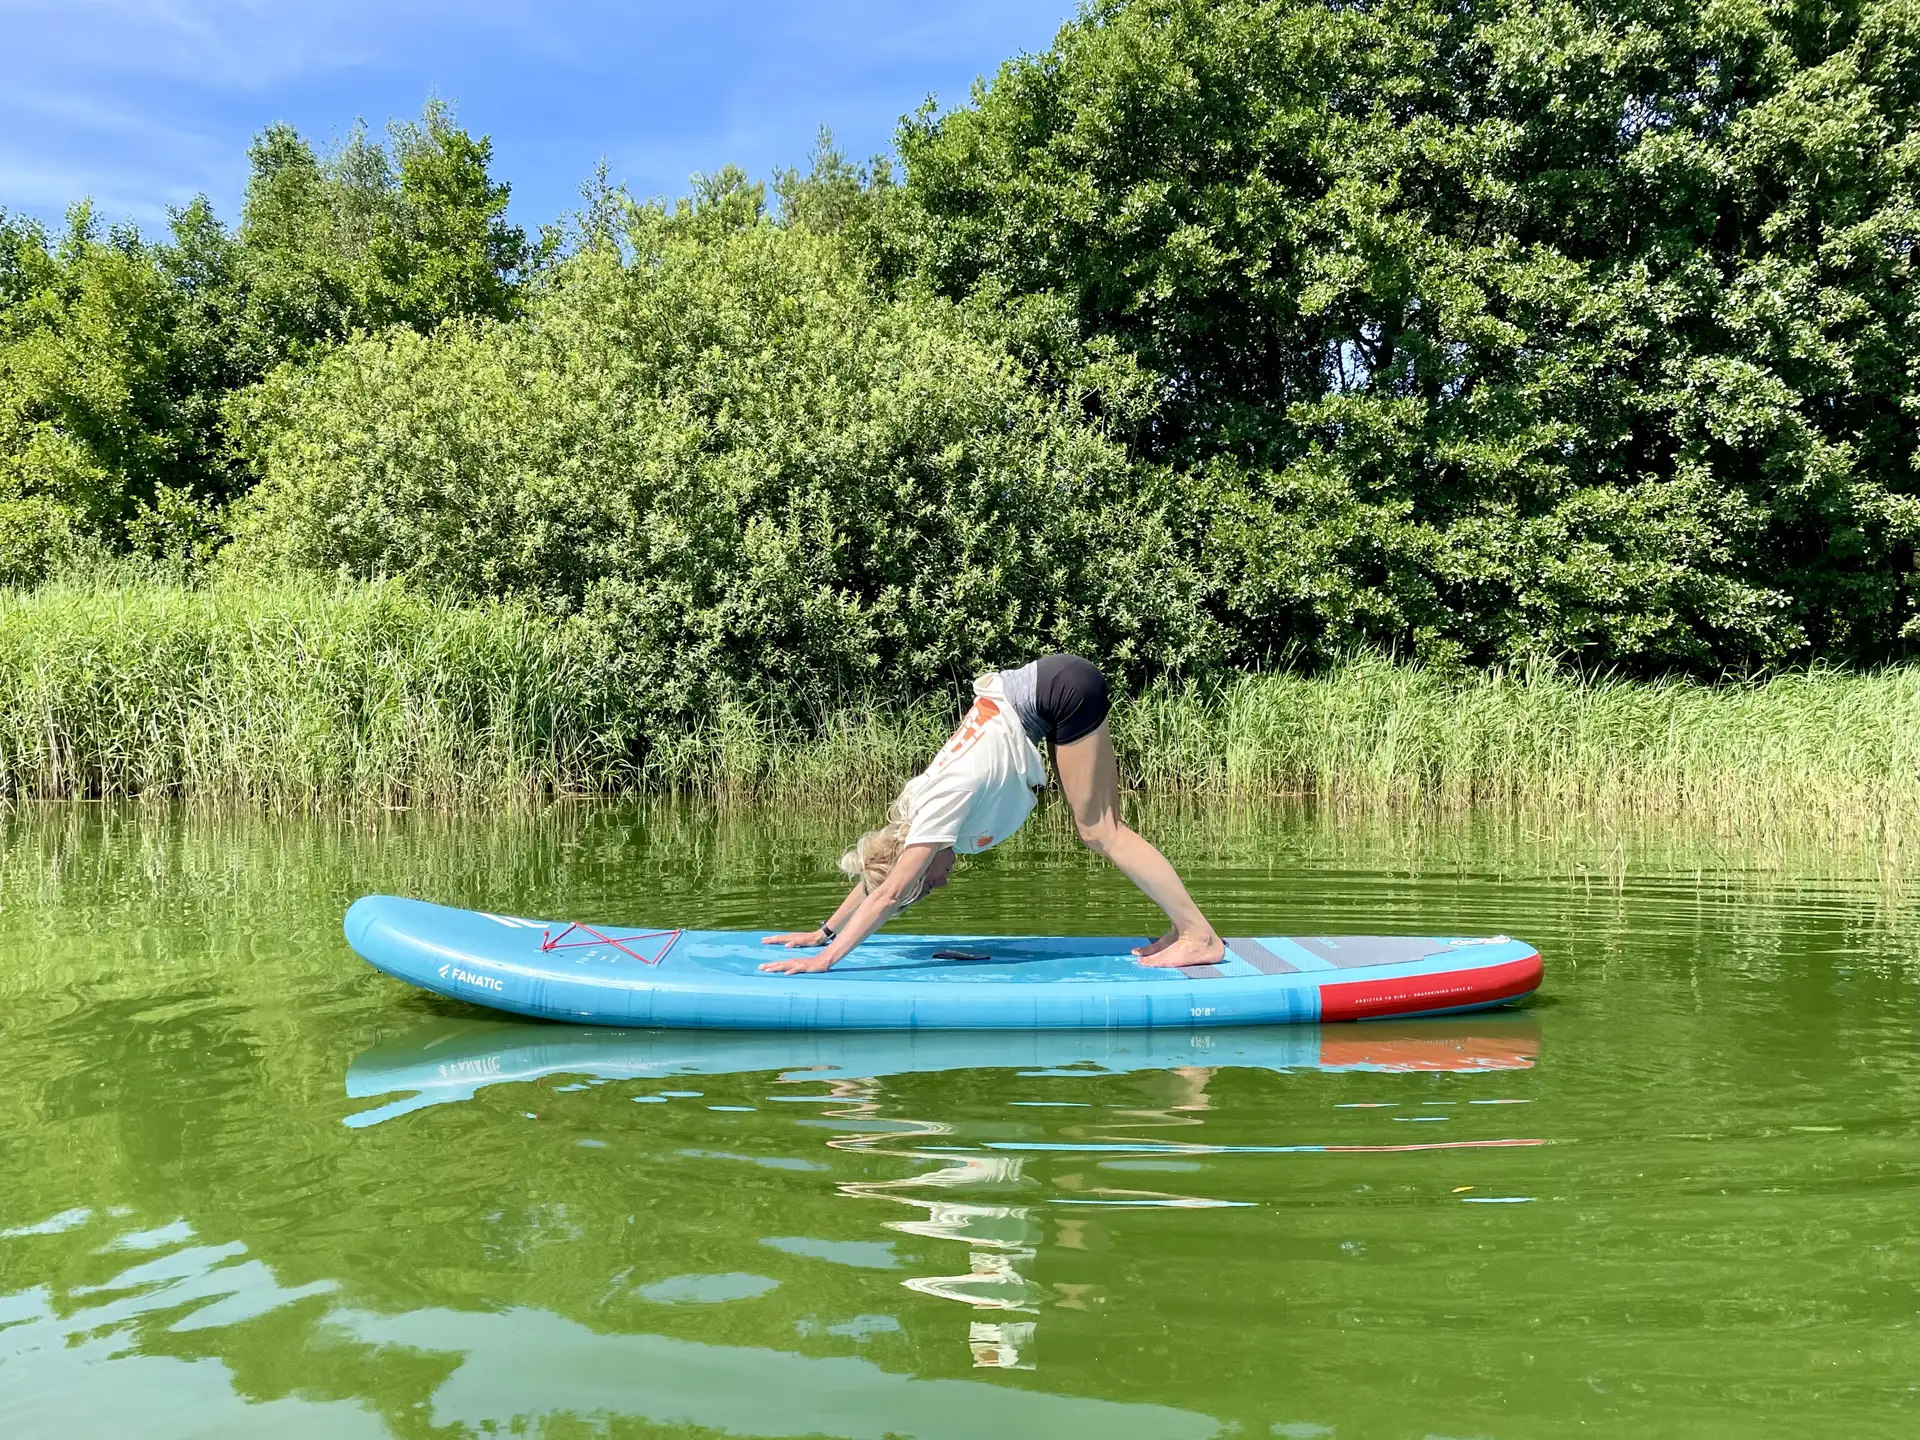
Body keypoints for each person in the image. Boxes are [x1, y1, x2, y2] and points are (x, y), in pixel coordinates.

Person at [759, 654, 1225, 974]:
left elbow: (890, 891)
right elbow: (881, 879)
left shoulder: (938, 809)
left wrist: (826, 959)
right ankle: (1184, 928)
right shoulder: (916, 812)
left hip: (1059, 691)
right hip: (1057, 683)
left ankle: (1198, 937)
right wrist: (822, 931)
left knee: (1102, 832)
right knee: (1109, 829)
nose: (939, 883)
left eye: (929, 881)